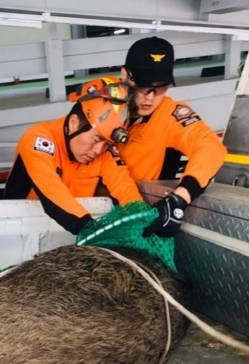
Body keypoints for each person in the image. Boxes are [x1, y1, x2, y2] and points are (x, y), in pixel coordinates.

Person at [71, 36, 227, 237]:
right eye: (144, 86)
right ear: (125, 75)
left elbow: (210, 147)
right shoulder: (103, 103)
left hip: (136, 222)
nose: (151, 97)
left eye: (161, 86)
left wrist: (179, 198)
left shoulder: (171, 115)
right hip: (84, 210)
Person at [4, 82, 144, 235]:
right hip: (18, 232)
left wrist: (141, 216)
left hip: (72, 235)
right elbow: (51, 188)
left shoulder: (104, 152)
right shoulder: (37, 139)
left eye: (107, 144)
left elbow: (124, 186)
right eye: (97, 140)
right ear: (73, 123)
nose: (98, 150)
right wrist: (88, 228)